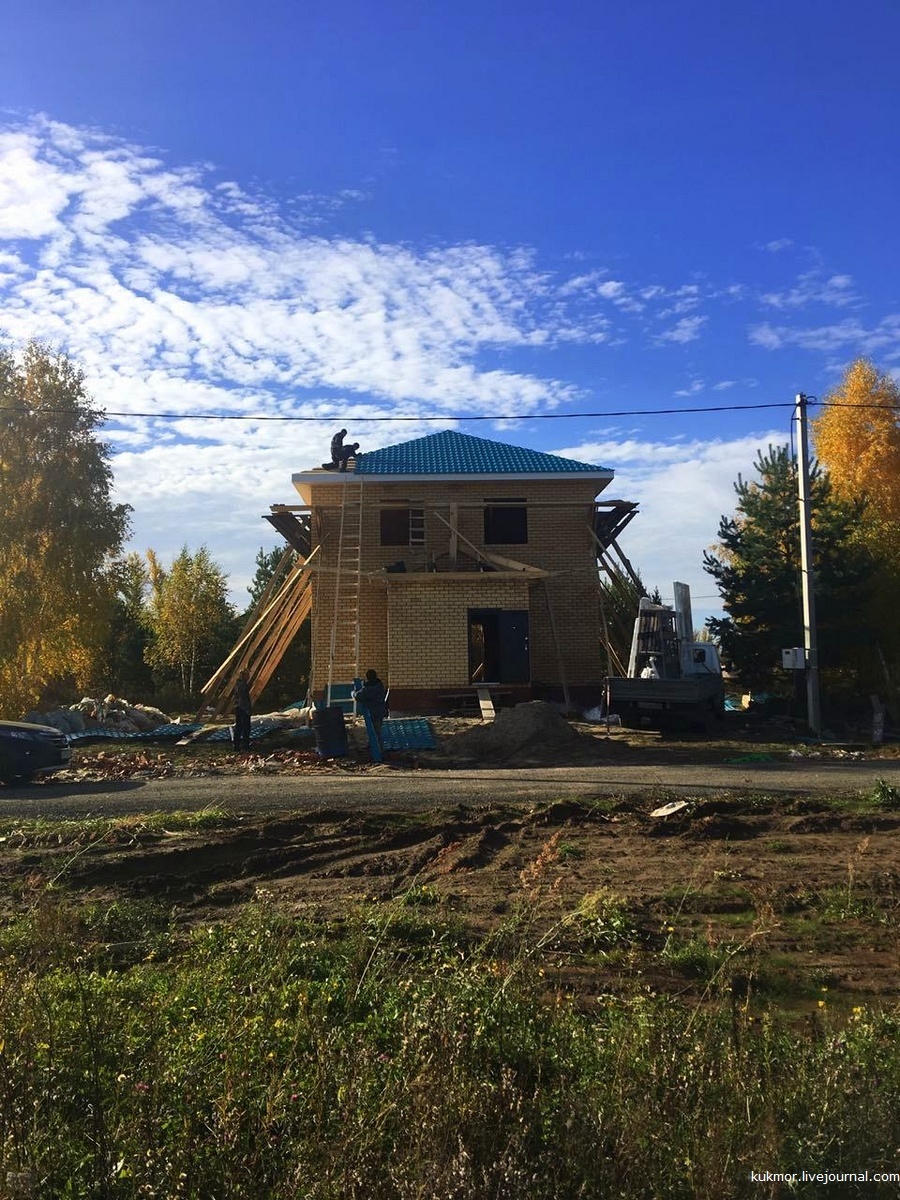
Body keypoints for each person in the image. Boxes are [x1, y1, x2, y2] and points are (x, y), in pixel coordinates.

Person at [353, 669, 388, 752]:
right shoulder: (379, 685)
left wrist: (353, 693)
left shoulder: (369, 689)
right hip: (380, 711)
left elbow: (359, 696)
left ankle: (378, 750)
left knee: (375, 731)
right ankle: (375, 746)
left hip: (373, 712)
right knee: (376, 730)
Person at [232, 669, 252, 752]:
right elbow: (243, 698)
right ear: (243, 676)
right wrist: (246, 709)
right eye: (247, 675)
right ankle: (245, 746)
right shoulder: (242, 685)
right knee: (245, 728)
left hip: (238, 707)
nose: (248, 677)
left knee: (239, 727)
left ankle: (236, 746)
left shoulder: (238, 684)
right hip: (243, 708)